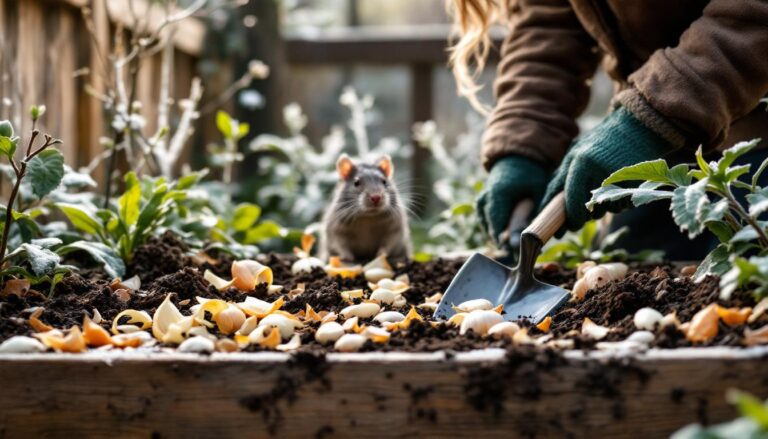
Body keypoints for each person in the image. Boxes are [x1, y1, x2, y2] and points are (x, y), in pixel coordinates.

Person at [448, 0, 768, 259]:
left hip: (754, 129)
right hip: (665, 137)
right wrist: (524, 143)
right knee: (628, 276)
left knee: (746, 281)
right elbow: (547, 24)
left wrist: (651, 117)